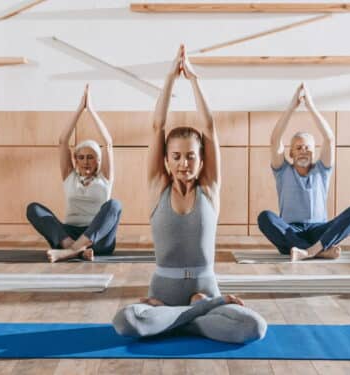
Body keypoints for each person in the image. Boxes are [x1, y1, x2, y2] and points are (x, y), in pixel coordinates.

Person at [112, 46, 266, 344]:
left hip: (204, 285)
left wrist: (194, 80)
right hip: (165, 289)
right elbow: (158, 125)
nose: (184, 163)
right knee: (125, 321)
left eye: (191, 156)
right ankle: (200, 313)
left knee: (254, 328)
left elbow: (210, 128)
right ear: (167, 161)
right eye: (177, 156)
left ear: (202, 160)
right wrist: (169, 79)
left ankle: (176, 320)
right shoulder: (158, 186)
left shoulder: (209, 189)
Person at [257, 83, 350, 261]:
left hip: (319, 230)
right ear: (290, 152)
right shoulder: (282, 170)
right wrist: (292, 105)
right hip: (290, 230)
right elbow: (275, 139)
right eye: (298, 147)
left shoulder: (322, 170)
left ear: (314, 152)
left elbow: (329, 138)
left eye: (308, 147)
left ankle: (308, 250)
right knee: (265, 217)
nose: (303, 150)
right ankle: (317, 251)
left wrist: (311, 106)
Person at [26, 85, 122, 263]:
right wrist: (79, 109)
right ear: (75, 161)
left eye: (91, 157)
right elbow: (63, 142)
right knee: (34, 209)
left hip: (98, 240)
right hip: (68, 234)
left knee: (114, 205)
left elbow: (108, 143)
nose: (86, 161)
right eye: (81, 157)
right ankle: (75, 249)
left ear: (98, 161)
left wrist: (90, 110)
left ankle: (71, 251)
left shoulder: (105, 178)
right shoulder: (70, 177)